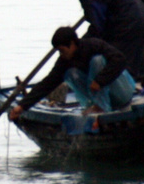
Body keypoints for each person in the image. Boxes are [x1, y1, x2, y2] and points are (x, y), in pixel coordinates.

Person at [9, 27, 137, 120]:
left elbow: (120, 60)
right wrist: (22, 106)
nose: (61, 54)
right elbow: (47, 84)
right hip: (102, 100)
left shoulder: (93, 45)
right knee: (71, 73)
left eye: (62, 50)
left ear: (72, 44)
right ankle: (94, 105)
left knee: (97, 61)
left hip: (122, 94)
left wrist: (100, 80)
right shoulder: (64, 62)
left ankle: (100, 107)